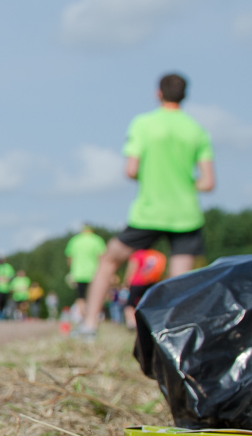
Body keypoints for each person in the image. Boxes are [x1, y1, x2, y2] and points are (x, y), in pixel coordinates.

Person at [79, 73, 215, 339]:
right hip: (186, 214)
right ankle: (178, 336)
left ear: (158, 93)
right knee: (180, 282)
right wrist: (185, 184)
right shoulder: (197, 130)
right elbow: (208, 182)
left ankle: (89, 326)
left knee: (108, 261)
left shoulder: (144, 124)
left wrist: (154, 178)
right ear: (184, 96)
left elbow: (131, 170)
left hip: (149, 211)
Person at [64, 224, 106, 319]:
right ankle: (93, 317)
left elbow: (69, 258)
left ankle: (84, 317)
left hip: (78, 274)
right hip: (94, 273)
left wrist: (71, 270)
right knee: (94, 296)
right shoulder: (97, 240)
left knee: (81, 297)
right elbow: (102, 257)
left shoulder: (75, 240)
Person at [122, 248, 168, 329]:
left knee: (129, 305)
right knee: (148, 304)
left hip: (136, 282)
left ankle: (132, 323)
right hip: (151, 283)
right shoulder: (156, 254)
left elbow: (132, 269)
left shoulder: (138, 254)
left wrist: (126, 282)